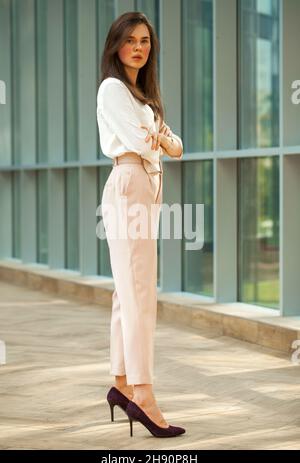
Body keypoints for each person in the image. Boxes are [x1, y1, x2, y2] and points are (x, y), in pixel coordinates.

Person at [97, 11, 185, 438]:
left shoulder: (141, 96)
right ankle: (144, 397)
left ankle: (121, 383)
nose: (139, 47)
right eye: (130, 40)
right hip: (130, 181)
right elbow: (140, 142)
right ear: (116, 46)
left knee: (125, 291)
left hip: (144, 185)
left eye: (145, 41)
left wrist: (161, 139)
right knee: (139, 295)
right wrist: (157, 140)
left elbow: (178, 146)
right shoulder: (112, 88)